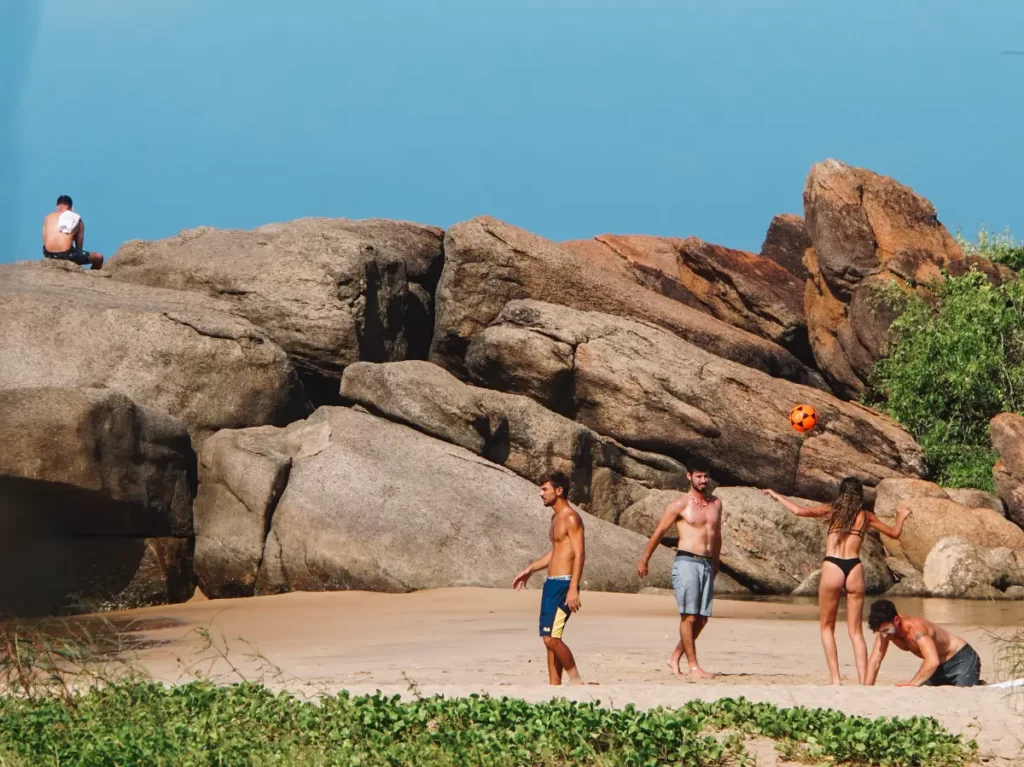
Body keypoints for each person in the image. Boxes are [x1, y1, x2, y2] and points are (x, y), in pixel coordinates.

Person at [762, 479, 911, 685]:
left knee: (826, 627)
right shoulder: (865, 516)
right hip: (854, 567)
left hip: (833, 565)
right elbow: (894, 533)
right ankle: (863, 681)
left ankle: (835, 679)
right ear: (860, 496)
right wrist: (901, 517)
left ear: (841, 494)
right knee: (856, 631)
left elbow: (799, 511)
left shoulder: (832, 511)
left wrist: (777, 495)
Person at [637, 457, 722, 679]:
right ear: (689, 476)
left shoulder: (716, 504)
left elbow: (717, 535)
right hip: (686, 562)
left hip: (706, 563)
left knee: (702, 618)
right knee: (689, 617)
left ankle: (675, 656)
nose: (703, 480)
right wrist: (644, 560)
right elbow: (658, 533)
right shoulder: (680, 504)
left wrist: (716, 562)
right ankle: (693, 666)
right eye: (699, 476)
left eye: (706, 476)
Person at [512, 472, 586, 686]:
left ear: (559, 491)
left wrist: (573, 588)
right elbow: (556, 552)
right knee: (549, 639)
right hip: (551, 584)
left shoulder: (571, 518)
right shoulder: (556, 518)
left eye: (545, 489)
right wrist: (531, 569)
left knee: (551, 638)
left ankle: (576, 681)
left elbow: (580, 554)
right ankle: (554, 686)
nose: (540, 493)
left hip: (564, 584)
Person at [866, 599, 983, 687]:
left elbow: (932, 661)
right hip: (939, 668)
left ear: (896, 620)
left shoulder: (917, 629)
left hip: (961, 660)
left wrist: (911, 685)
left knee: (963, 693)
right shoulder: (885, 630)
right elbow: (875, 660)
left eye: (886, 631)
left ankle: (977, 682)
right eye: (881, 632)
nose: (885, 635)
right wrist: (866, 689)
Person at [41, 194, 103, 269]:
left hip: (48, 253)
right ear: (70, 208)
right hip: (66, 254)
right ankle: (94, 278)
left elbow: (45, 240)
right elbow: (79, 248)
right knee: (99, 257)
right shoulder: (76, 218)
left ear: (57, 207)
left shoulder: (47, 217)